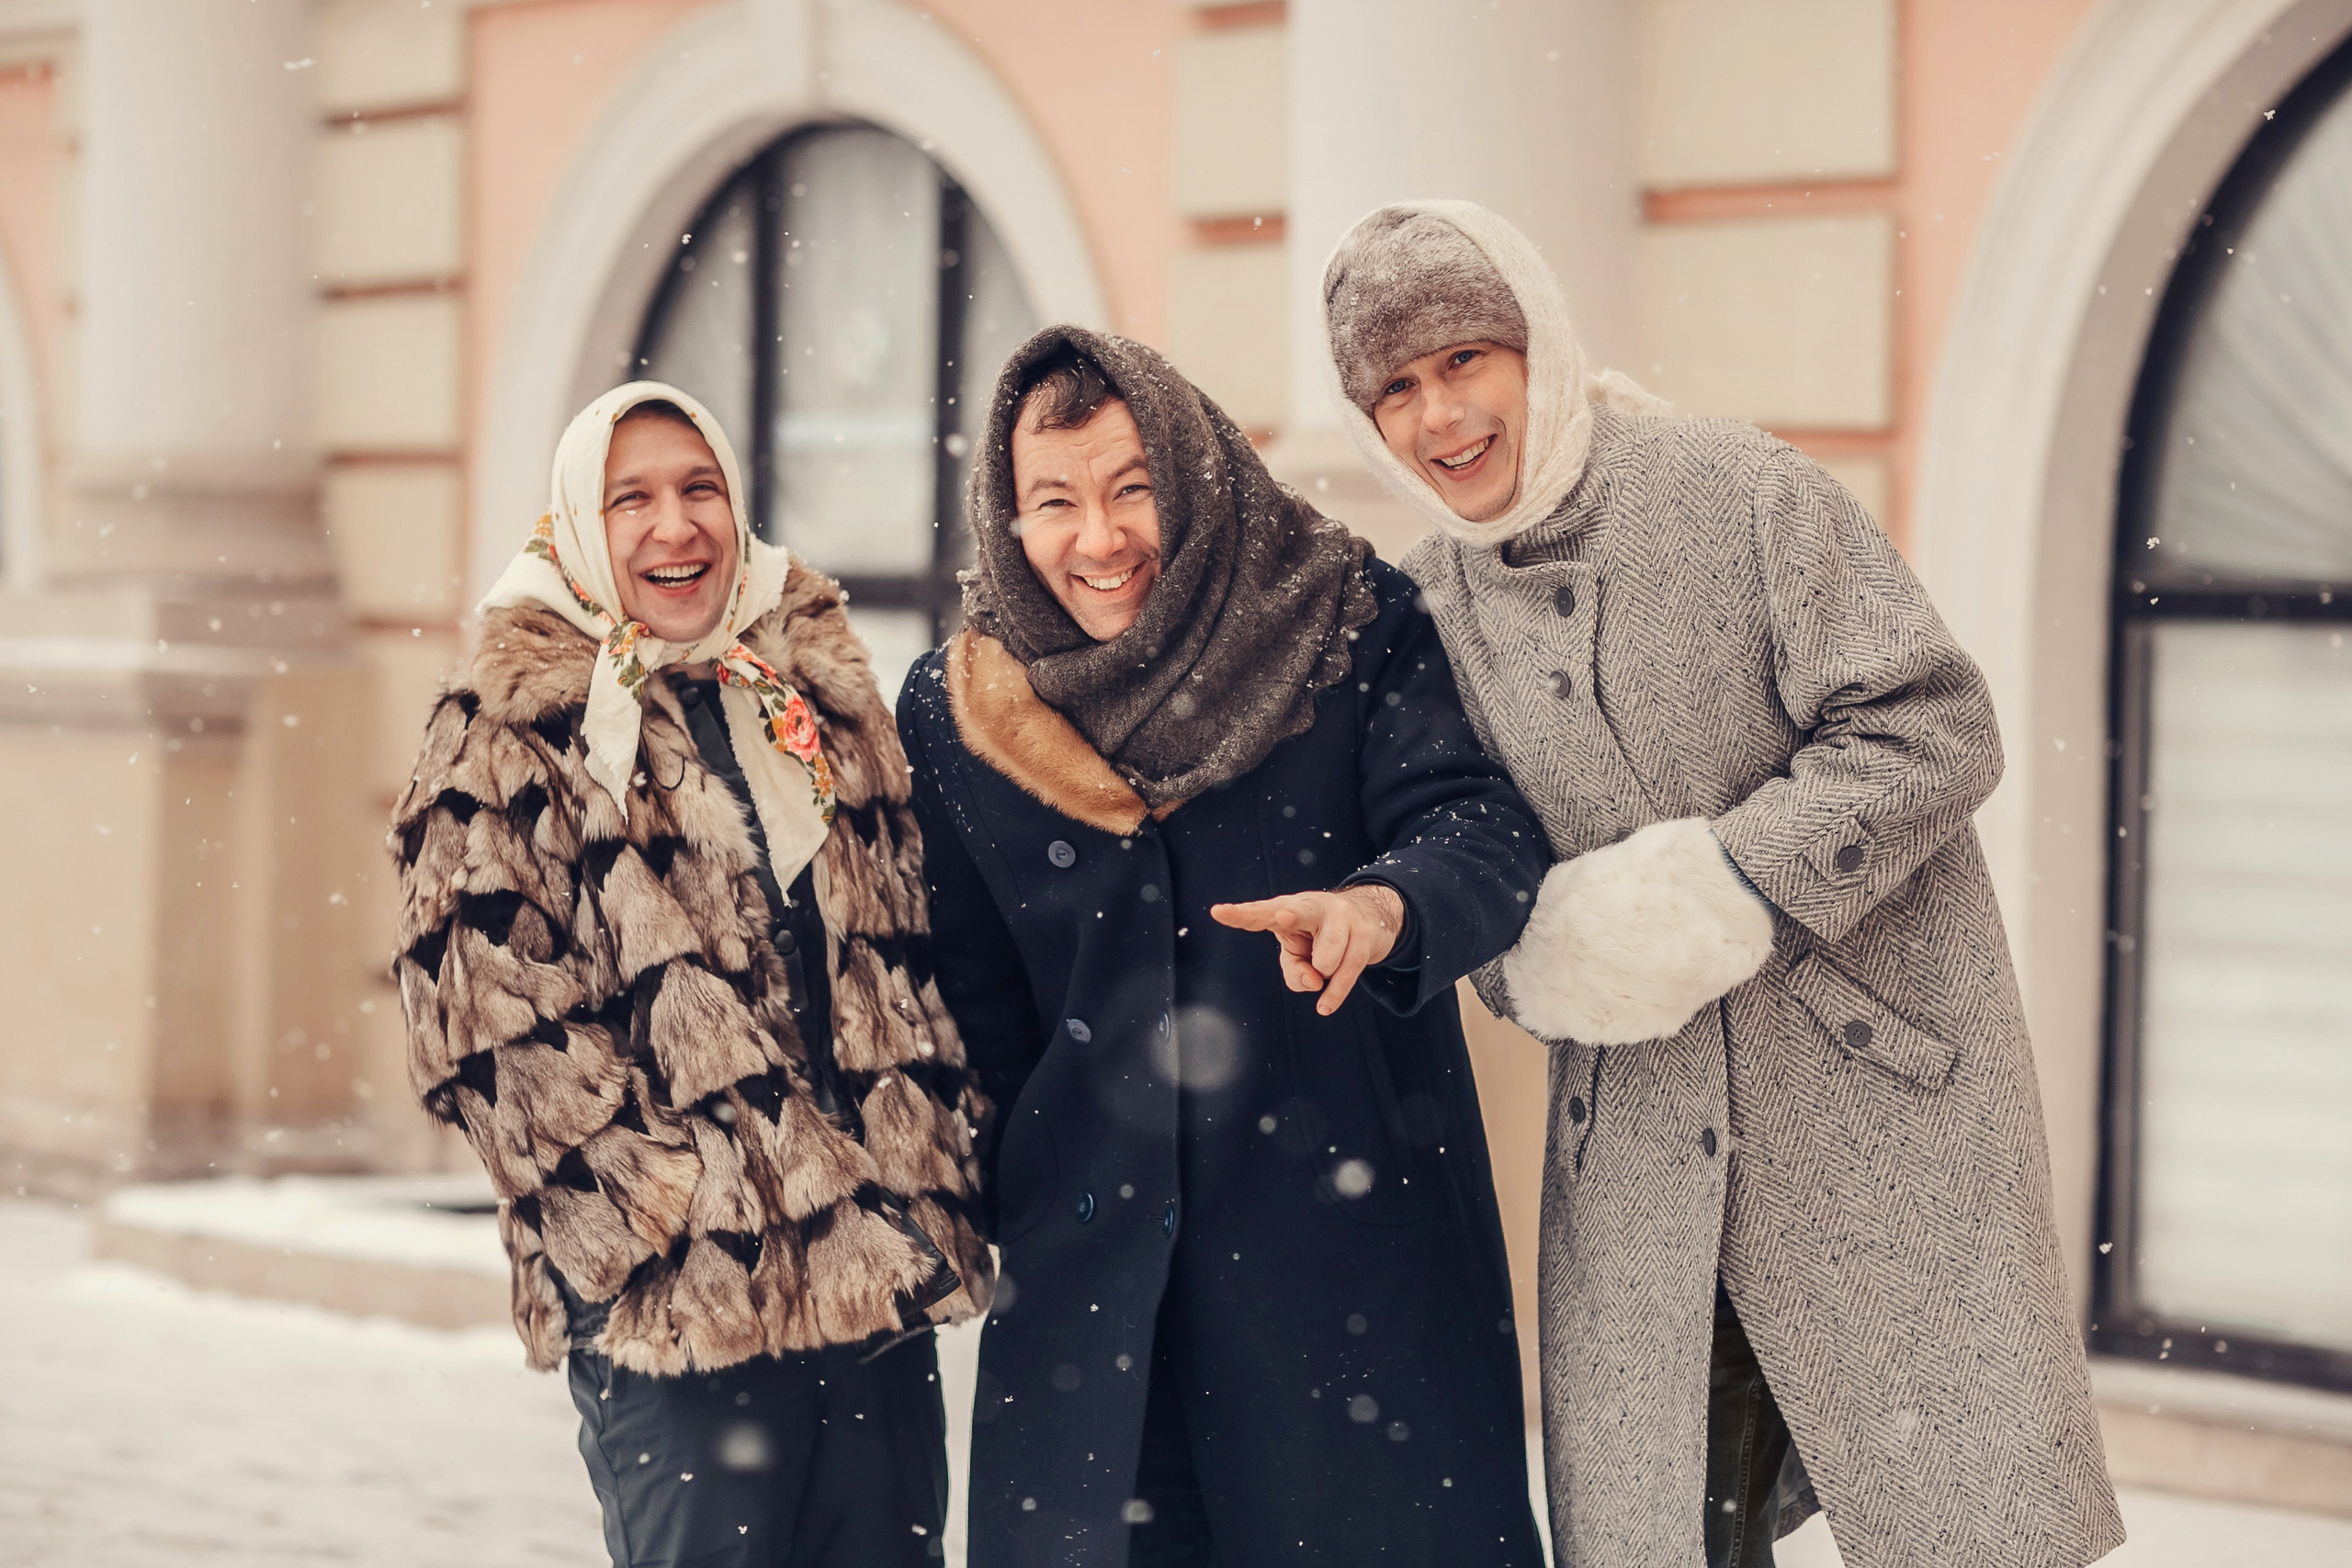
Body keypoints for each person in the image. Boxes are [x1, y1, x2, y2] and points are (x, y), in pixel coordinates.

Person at [1318, 200, 2125, 1568]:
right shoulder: (1424, 613)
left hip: (1870, 1117)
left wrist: (1723, 887)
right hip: (1633, 1163)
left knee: (1958, 1531)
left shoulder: (1737, 491)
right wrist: (1543, 957)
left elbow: (1935, 725)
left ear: (1536, 345)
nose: (1438, 415)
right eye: (1392, 388)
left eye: (1464, 360)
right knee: (1667, 1536)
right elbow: (1458, 853)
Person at [897, 326, 1552, 1568]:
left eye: (1133, 488)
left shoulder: (1348, 623)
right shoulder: (961, 706)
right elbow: (960, 1003)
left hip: (1350, 1287)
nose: (1101, 541)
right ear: (1006, 512)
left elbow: (1484, 828)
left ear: (1195, 473)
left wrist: (1385, 906)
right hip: (1094, 1321)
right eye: (1057, 503)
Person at [390, 382, 992, 1567]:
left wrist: (918, 1159)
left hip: (870, 1281)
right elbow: (479, 1022)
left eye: (699, 488)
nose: (677, 527)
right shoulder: (507, 732)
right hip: (684, 1307)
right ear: (579, 527)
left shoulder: (814, 699)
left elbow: (904, 954)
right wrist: (663, 1218)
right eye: (635, 500)